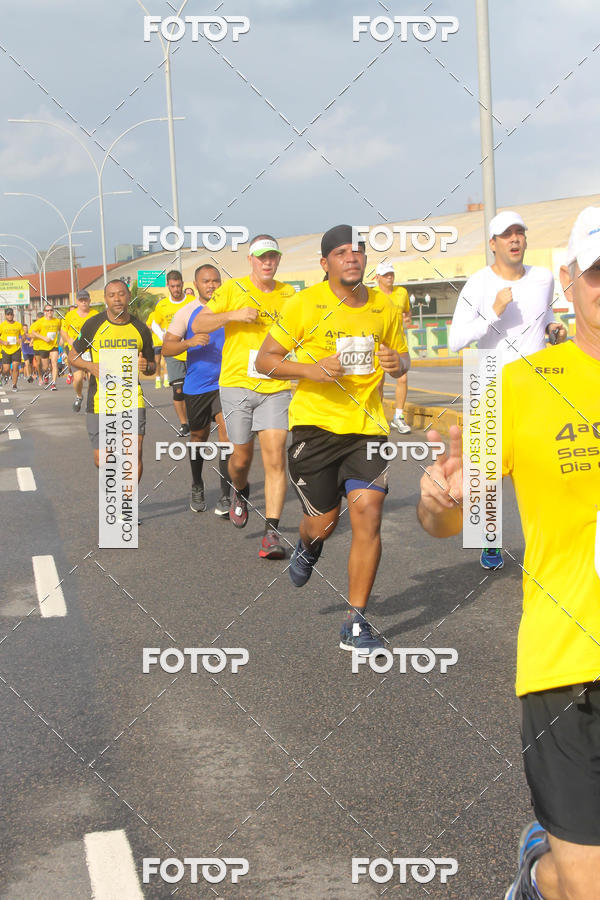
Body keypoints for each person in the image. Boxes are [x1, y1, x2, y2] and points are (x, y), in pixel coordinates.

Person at [418, 206, 600, 900]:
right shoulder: (518, 387)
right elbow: (445, 516)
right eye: (598, 272)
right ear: (569, 281)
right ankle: (539, 877)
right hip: (568, 659)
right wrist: (440, 499)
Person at [256, 225, 410, 652]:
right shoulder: (304, 304)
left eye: (357, 251)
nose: (352, 257)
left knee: (369, 514)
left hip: (367, 429)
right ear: (325, 263)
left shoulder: (384, 306)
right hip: (316, 427)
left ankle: (355, 621)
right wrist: (311, 369)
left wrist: (397, 362)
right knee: (324, 523)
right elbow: (265, 361)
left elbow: (402, 359)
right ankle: (308, 546)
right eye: (341, 252)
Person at [448, 209, 567, 570]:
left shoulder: (543, 278)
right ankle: (490, 541)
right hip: (488, 383)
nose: (515, 239)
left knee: (541, 471)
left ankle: (546, 544)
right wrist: (493, 312)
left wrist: (553, 330)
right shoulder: (478, 284)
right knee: (486, 477)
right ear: (493, 243)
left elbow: (544, 318)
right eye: (506, 234)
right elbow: (455, 340)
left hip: (535, 386)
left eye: (519, 232)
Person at [191, 235, 296, 559]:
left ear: (278, 260)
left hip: (275, 385)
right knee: (241, 459)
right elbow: (199, 322)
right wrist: (233, 315)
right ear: (250, 260)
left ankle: (271, 532)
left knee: (276, 457)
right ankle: (239, 488)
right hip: (237, 384)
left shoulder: (289, 294)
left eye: (272, 257)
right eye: (262, 257)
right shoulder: (233, 289)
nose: (268, 262)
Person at [69, 280, 155, 482]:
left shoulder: (140, 329)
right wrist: (90, 366)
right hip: (100, 400)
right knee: (102, 460)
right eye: (112, 295)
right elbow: (72, 356)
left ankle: (127, 498)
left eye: (121, 294)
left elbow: (152, 366)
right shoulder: (93, 325)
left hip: (131, 398)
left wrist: (146, 366)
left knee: (134, 453)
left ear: (128, 296)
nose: (117, 299)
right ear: (105, 299)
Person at [163, 264, 231, 515]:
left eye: (215, 280)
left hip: (226, 383)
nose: (211, 285)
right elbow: (167, 348)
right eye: (206, 281)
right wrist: (189, 342)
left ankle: (226, 495)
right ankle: (197, 484)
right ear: (196, 284)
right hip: (197, 385)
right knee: (198, 438)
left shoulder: (229, 308)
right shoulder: (186, 312)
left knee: (227, 437)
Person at [153, 271, 195, 435]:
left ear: (183, 284)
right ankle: (184, 424)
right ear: (168, 286)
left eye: (178, 286)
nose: (176, 289)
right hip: (173, 353)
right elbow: (155, 323)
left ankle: (195, 420)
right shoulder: (162, 305)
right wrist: (163, 336)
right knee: (178, 390)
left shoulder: (192, 301)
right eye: (172, 286)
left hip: (192, 351)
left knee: (192, 390)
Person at [372, 262, 412, 433]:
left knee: (402, 378)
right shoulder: (372, 295)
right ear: (377, 277)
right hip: (379, 344)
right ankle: (378, 416)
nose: (389, 277)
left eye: (391, 274)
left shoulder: (402, 292)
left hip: (398, 343)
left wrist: (407, 319)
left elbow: (407, 311)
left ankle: (398, 416)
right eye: (385, 275)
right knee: (378, 383)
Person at [60, 290, 98, 411]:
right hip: (76, 350)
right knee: (78, 378)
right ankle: (79, 396)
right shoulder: (70, 315)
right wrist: (69, 340)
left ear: (89, 301)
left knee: (93, 378)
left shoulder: (95, 314)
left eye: (85, 300)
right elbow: (63, 330)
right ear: (77, 302)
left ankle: (91, 403)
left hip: (91, 350)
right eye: (81, 300)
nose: (83, 302)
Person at [29, 304, 61, 390]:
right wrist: (43, 338)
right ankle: (45, 373)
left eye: (51, 310)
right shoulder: (40, 322)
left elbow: (61, 330)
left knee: (54, 363)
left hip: (54, 345)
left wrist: (62, 339)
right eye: (47, 310)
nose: (49, 312)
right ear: (44, 312)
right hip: (43, 347)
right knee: (45, 367)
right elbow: (33, 332)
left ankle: (53, 383)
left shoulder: (57, 321)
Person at [0, 308, 25, 392]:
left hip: (16, 349)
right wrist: (3, 342)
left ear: (13, 315)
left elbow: (23, 335)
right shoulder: (2, 325)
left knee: (15, 367)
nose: (10, 316)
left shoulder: (18, 325)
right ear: (5, 315)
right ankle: (3, 375)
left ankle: (14, 385)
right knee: (6, 369)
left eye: (11, 314)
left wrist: (21, 339)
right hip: (6, 349)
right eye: (8, 314)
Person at [145, 307, 166, 389]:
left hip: (164, 342)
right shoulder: (153, 314)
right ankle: (159, 380)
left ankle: (165, 379)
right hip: (158, 342)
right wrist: (155, 328)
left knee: (164, 361)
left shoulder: (164, 313)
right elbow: (148, 324)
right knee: (158, 361)